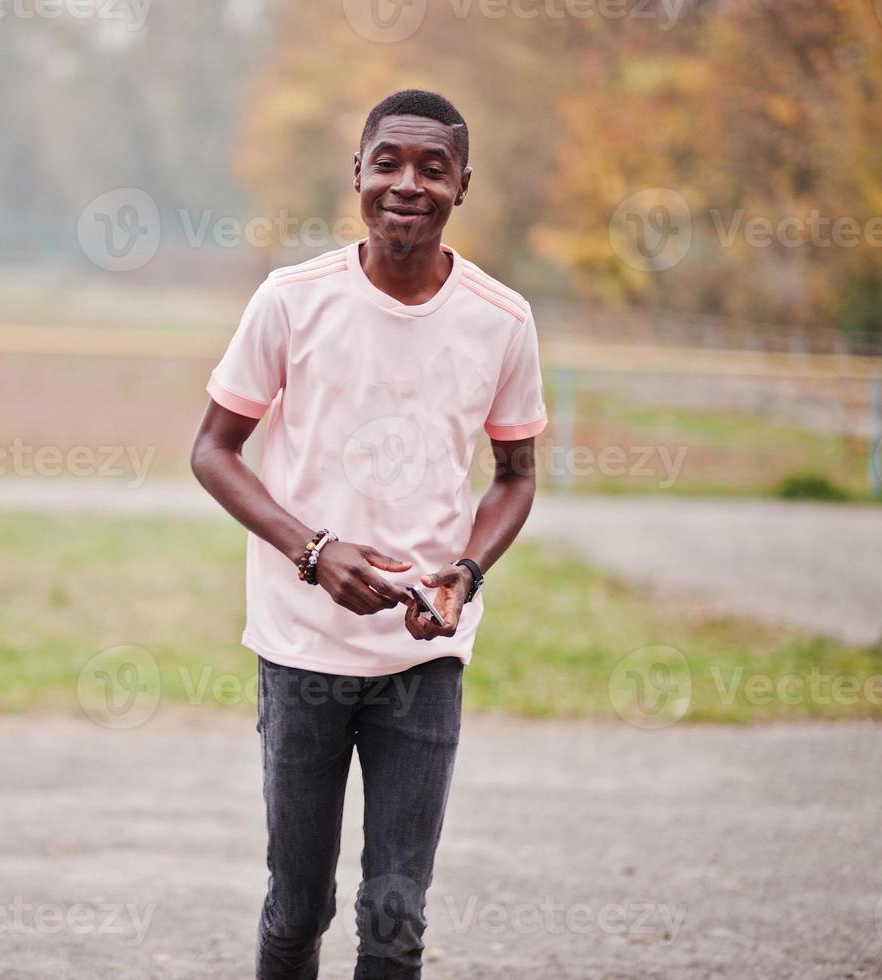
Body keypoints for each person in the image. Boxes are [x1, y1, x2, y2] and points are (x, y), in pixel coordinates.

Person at [189, 89, 546, 980]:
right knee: (297, 905)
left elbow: (515, 475)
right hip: (301, 648)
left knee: (395, 918)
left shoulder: (502, 320)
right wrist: (311, 551)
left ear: (463, 184)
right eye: (388, 162)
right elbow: (213, 450)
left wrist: (464, 573)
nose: (407, 184)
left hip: (422, 658)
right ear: (357, 171)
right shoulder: (291, 300)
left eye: (433, 167)